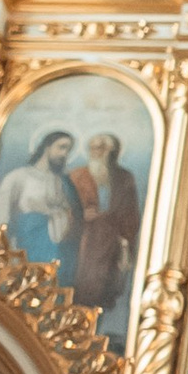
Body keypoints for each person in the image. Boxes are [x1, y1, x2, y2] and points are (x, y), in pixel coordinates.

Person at [67, 129, 142, 327]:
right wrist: (80, 216)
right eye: (94, 147)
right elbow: (64, 206)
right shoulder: (77, 175)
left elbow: (130, 213)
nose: (97, 152)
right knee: (79, 286)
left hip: (110, 242)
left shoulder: (124, 178)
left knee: (103, 288)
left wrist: (125, 241)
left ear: (113, 152)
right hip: (83, 240)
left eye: (103, 148)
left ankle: (93, 332)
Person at [0, 129, 82, 277]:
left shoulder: (60, 182)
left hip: (55, 250)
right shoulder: (19, 176)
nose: (64, 154)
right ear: (47, 146)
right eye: (62, 147)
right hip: (25, 244)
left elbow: (70, 214)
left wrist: (57, 214)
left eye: (68, 150)